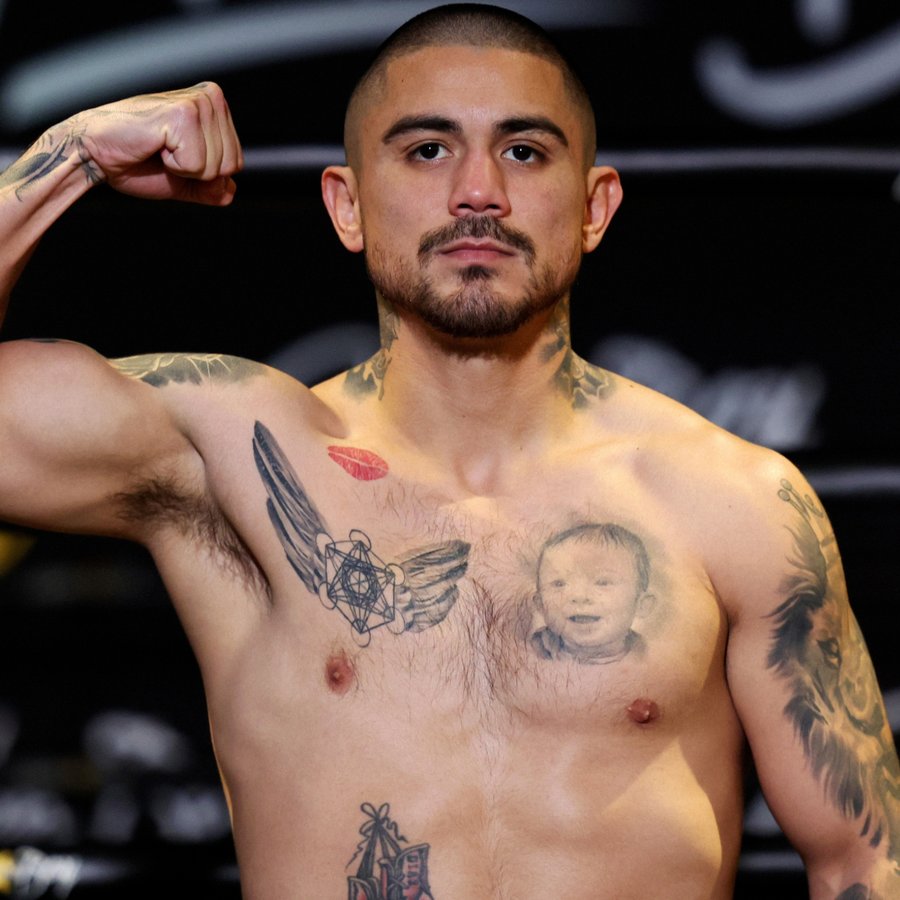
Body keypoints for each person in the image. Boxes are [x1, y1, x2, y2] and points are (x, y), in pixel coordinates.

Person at [0, 3, 897, 898]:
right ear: (347, 206)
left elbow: (863, 861)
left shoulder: (733, 501)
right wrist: (71, 154)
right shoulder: (235, 456)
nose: (478, 192)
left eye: (524, 152)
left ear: (594, 208)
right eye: (428, 150)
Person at [529, 522, 656, 665]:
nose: (579, 596)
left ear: (642, 605)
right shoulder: (529, 654)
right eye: (559, 584)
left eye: (603, 582)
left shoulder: (653, 662)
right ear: (540, 604)